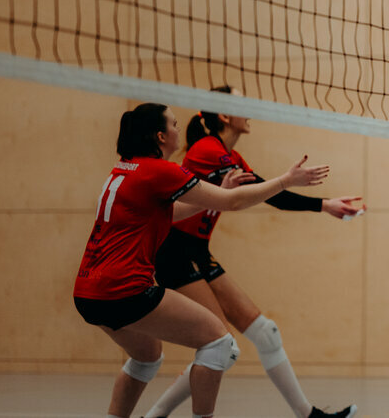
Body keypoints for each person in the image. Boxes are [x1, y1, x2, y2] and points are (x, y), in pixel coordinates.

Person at [73, 103, 330, 418]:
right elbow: (233, 202)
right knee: (220, 343)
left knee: (147, 357)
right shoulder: (160, 171)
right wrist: (285, 180)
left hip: (88, 292)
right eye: (173, 124)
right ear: (160, 136)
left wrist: (219, 191)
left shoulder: (125, 169)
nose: (178, 129)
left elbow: (169, 214)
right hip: (124, 290)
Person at [143, 87, 362, 418]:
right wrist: (299, 188)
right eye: (240, 102)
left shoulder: (231, 157)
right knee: (220, 345)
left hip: (197, 251)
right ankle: (155, 415)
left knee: (266, 333)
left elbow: (266, 192)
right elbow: (265, 192)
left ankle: (309, 415)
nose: (249, 108)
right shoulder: (207, 149)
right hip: (173, 251)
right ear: (224, 115)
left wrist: (325, 204)